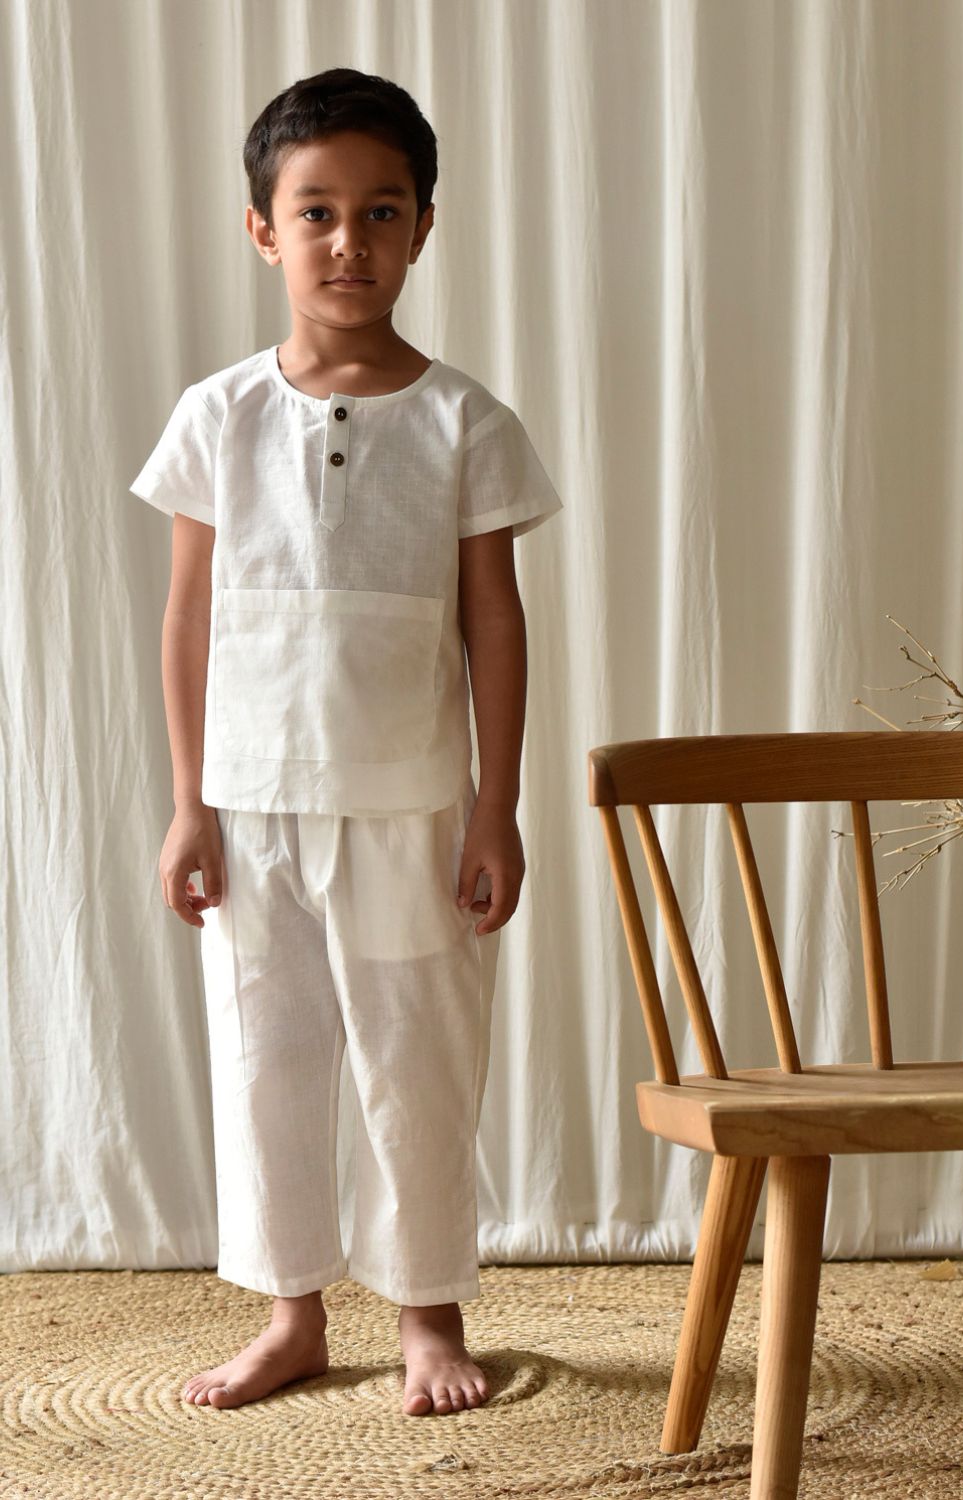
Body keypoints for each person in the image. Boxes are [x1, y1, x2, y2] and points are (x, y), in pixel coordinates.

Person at [128, 68, 563, 1419]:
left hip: (414, 806)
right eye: (315, 211)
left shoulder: (463, 421)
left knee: (417, 1058)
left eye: (382, 211)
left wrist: (494, 806)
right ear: (263, 229)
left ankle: (428, 1312)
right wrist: (189, 803)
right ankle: (292, 1315)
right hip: (251, 806)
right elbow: (189, 616)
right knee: (268, 1061)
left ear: (424, 226)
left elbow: (494, 621)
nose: (348, 241)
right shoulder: (219, 414)